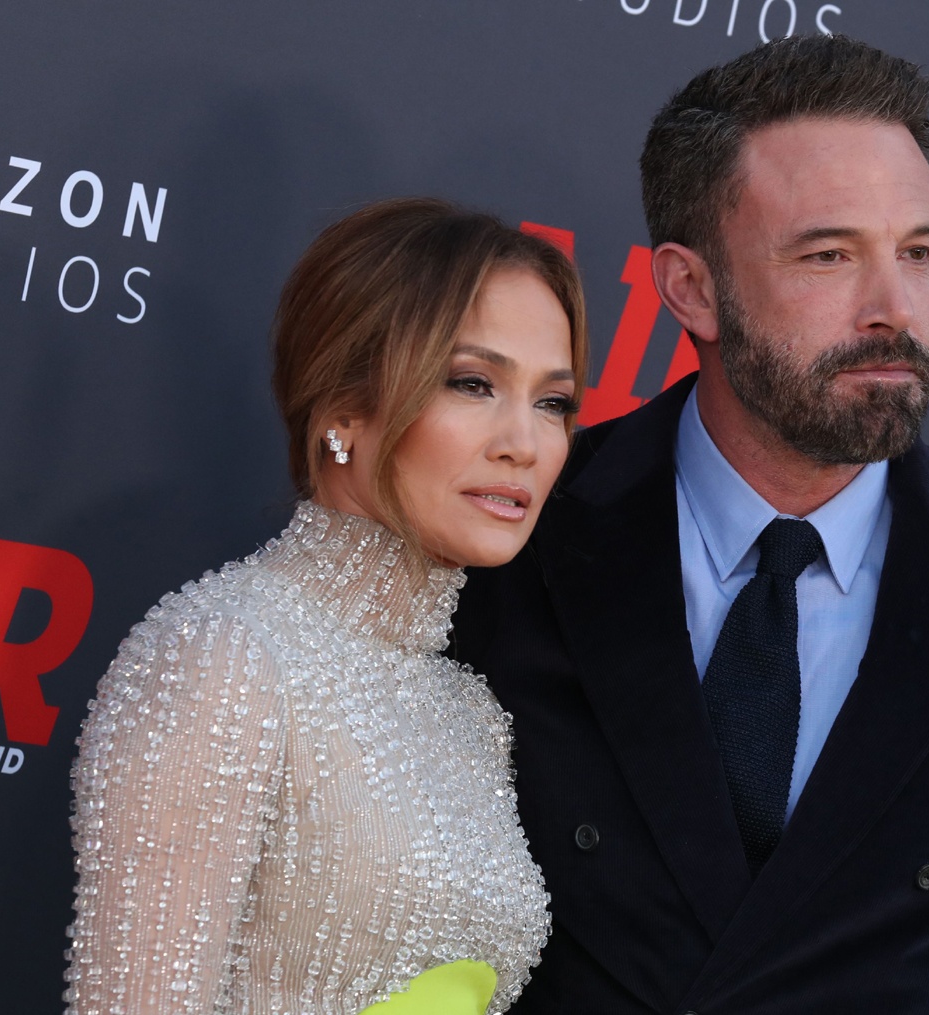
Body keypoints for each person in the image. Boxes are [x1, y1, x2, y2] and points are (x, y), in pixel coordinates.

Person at [450, 35, 929, 1014]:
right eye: (830, 255)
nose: (892, 308)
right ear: (690, 288)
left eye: (918, 253)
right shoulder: (509, 537)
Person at [64, 197, 588, 1015]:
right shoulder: (223, 655)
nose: (524, 441)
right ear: (343, 409)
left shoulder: (468, 713)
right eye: (473, 383)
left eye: (553, 401)